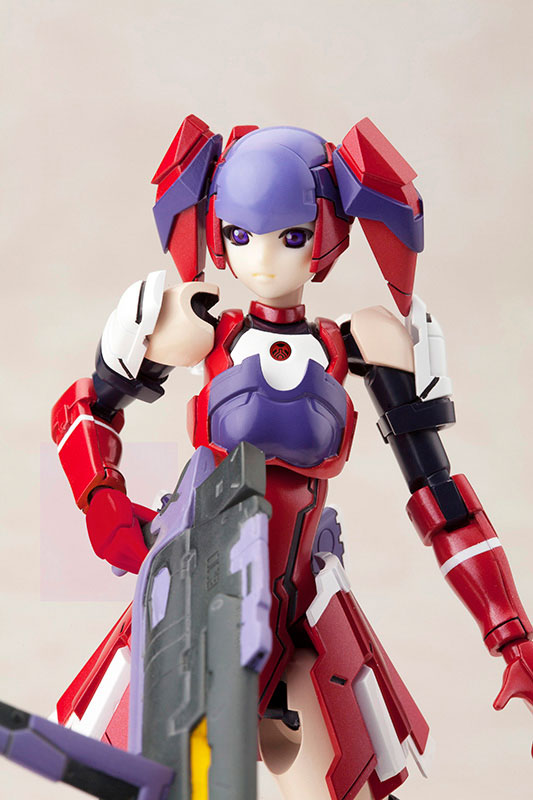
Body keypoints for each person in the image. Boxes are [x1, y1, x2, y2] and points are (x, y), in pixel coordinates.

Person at [51, 115, 533, 800]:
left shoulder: (364, 342)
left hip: (302, 601)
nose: (263, 259)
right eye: (241, 235)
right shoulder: (196, 326)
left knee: (344, 785)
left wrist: (509, 633)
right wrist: (103, 503)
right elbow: (83, 410)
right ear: (216, 229)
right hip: (199, 596)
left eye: (292, 236)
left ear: (328, 234)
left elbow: (439, 494)